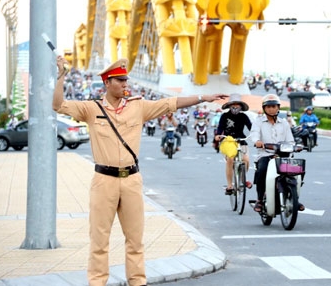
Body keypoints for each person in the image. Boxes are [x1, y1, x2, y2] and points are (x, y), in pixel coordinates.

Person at [53, 56, 228, 286]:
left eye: (126, 79)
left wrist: (202, 98)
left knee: (135, 241)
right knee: (99, 241)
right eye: (120, 80)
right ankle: (97, 282)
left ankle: (137, 282)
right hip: (103, 181)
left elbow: (170, 103)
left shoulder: (138, 107)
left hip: (131, 180)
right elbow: (58, 105)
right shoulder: (91, 109)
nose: (126, 84)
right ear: (107, 83)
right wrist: (61, 75)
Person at [251, 94, 305, 212]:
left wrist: (296, 146)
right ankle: (260, 200)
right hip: (266, 154)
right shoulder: (258, 122)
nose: (271, 109)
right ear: (264, 108)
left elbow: (290, 140)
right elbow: (254, 134)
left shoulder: (284, 122)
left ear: (278, 107)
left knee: (298, 171)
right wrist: (257, 141)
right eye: (268, 106)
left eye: (274, 106)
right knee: (261, 171)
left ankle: (294, 197)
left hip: (284, 155)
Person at [214, 93, 252, 195]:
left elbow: (251, 127)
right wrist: (218, 135)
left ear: (240, 106)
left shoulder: (244, 116)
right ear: (229, 105)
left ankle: (243, 179)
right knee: (230, 159)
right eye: (233, 104)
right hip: (228, 141)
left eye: (237, 104)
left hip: (241, 140)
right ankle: (230, 185)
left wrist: (256, 135)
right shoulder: (224, 116)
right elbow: (220, 127)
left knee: (246, 160)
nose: (235, 106)